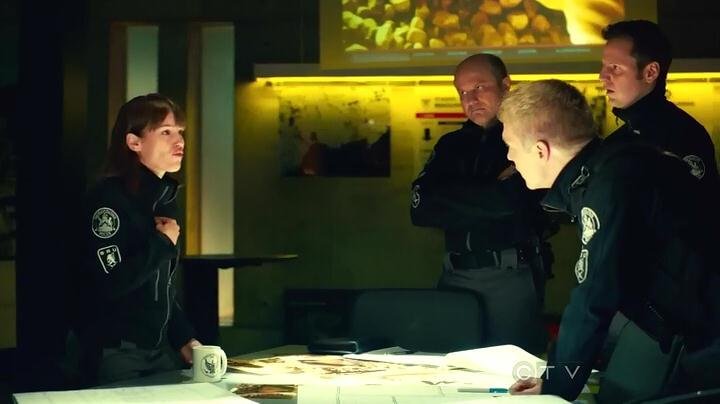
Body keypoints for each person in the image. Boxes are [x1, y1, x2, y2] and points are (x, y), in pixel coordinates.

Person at [499, 79, 720, 401]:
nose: (509, 157)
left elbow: (594, 295)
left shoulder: (609, 185)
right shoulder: (614, 165)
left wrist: (557, 385)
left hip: (704, 342)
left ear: (540, 150)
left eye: (510, 145)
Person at [410, 53, 552, 354]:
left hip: (509, 274)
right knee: (450, 366)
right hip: (454, 274)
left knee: (511, 369)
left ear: (505, 85)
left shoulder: (532, 137)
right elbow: (420, 209)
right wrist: (490, 191)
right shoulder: (451, 145)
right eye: (462, 92)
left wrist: (452, 197)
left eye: (478, 87)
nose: (470, 99)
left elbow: (512, 200)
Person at [75, 93, 200, 385]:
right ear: (134, 142)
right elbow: (111, 283)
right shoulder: (108, 200)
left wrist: (185, 339)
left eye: (180, 131)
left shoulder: (164, 200)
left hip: (158, 351)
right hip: (115, 353)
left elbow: (161, 286)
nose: (179, 141)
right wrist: (162, 244)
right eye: (166, 132)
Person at [600, 19, 719, 194]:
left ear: (650, 72)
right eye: (603, 66)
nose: (602, 76)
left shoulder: (685, 137)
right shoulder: (615, 142)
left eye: (615, 68)